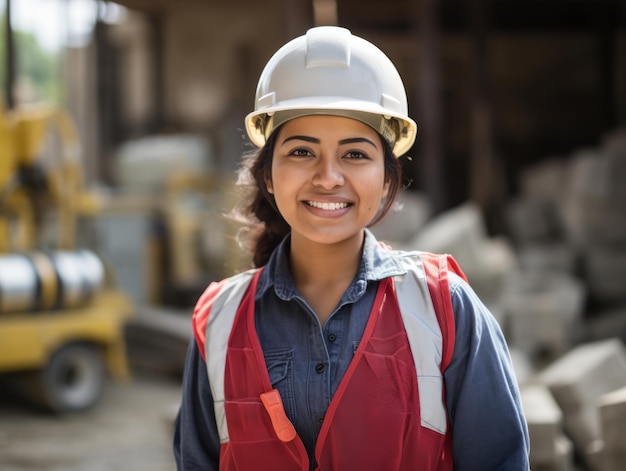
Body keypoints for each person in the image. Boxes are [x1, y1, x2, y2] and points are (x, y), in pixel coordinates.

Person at [173, 26, 530, 471]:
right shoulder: (220, 324)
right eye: (302, 152)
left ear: (386, 180)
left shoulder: (445, 310)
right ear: (268, 175)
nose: (328, 177)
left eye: (355, 154)